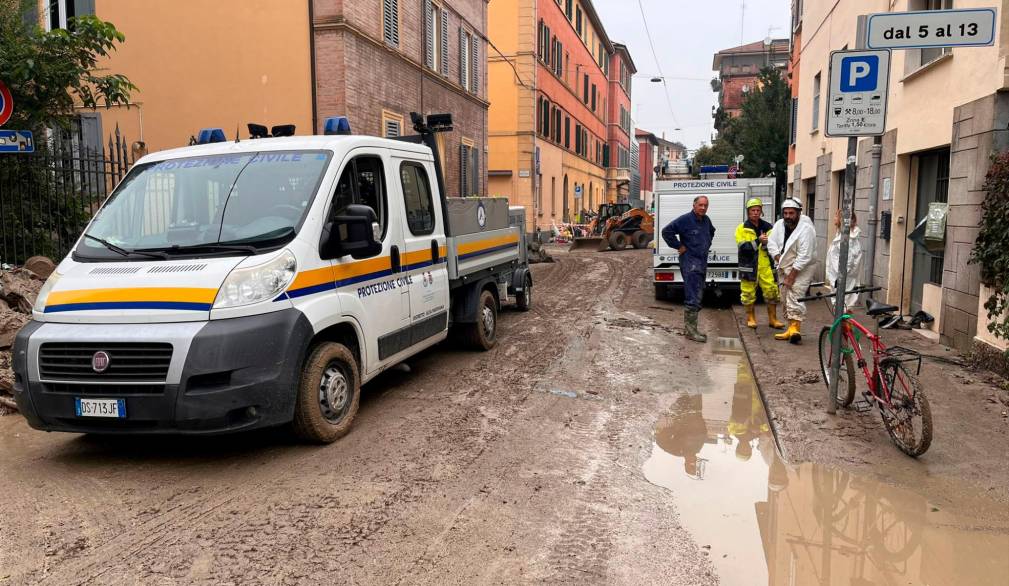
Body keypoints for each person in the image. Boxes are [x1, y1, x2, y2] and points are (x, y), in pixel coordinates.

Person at [662, 196, 715, 342]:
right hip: (690, 263)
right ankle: (691, 332)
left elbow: (711, 232)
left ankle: (691, 329)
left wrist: (706, 246)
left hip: (701, 262)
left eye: (705, 205)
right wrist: (679, 246)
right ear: (694, 205)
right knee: (692, 296)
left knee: (698, 295)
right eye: (700, 205)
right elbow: (666, 231)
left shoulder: (706, 220)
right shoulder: (685, 220)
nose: (703, 208)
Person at [766, 198, 817, 344]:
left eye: (791, 213)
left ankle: (795, 329)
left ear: (799, 213)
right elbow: (771, 243)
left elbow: (804, 256)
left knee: (795, 293)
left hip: (802, 268)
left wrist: (792, 276)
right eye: (786, 213)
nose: (788, 216)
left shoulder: (806, 229)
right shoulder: (779, 225)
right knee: (784, 295)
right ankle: (790, 327)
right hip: (783, 265)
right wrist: (778, 259)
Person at [734, 198, 785, 330]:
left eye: (758, 210)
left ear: (761, 211)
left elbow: (776, 245)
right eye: (753, 210)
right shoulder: (742, 228)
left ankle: (773, 319)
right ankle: (751, 318)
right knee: (748, 293)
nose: (755, 213)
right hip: (749, 266)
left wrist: (767, 244)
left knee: (771, 291)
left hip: (766, 265)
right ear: (748, 212)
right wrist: (758, 241)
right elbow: (743, 247)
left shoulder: (768, 227)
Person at [826, 208, 863, 311]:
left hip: (844, 281)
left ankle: (844, 326)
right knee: (841, 306)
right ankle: (843, 326)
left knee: (843, 306)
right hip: (840, 279)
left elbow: (849, 262)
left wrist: (840, 277)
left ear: (842, 219)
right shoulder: (842, 235)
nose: (834, 218)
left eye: (836, 216)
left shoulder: (849, 239)